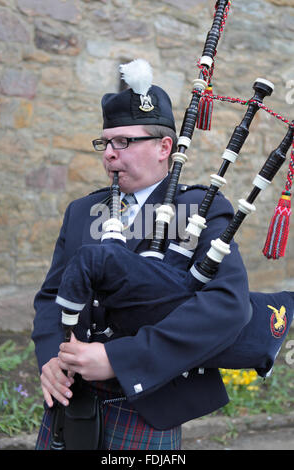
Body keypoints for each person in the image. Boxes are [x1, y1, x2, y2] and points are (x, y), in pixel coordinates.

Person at [32, 59, 251, 450]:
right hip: (70, 403)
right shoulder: (82, 211)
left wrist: (120, 358)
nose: (110, 155)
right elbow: (51, 297)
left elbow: (226, 307)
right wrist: (50, 358)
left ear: (165, 147)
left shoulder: (199, 209)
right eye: (105, 142)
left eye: (124, 142)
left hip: (146, 401)